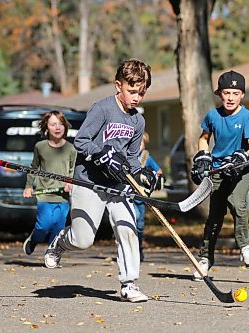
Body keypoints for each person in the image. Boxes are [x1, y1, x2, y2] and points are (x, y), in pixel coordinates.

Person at [43, 58, 161, 303]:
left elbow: (131, 156)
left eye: (141, 92)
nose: (136, 97)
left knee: (128, 229)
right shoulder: (103, 109)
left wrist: (140, 173)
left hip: (117, 184)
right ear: (118, 86)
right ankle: (61, 242)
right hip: (88, 181)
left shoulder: (138, 121)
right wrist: (100, 153)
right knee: (83, 240)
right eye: (132, 91)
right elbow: (81, 141)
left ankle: (129, 284)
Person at [190, 70, 249, 282]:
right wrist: (204, 155)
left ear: (242, 95)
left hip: (243, 169)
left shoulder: (247, 117)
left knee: (236, 202)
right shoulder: (213, 115)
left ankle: (246, 247)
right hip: (219, 170)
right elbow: (204, 138)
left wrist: (242, 157)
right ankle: (204, 259)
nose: (230, 97)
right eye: (226, 92)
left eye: (235, 93)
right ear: (219, 93)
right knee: (214, 217)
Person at [22, 111, 77, 256]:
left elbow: (73, 170)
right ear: (47, 128)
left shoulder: (71, 149)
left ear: (65, 127)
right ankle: (34, 239)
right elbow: (33, 168)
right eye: (53, 124)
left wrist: (70, 183)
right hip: (44, 194)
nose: (57, 128)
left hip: (63, 196)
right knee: (44, 226)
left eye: (60, 124)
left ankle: (52, 254)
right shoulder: (40, 147)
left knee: (58, 228)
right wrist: (28, 186)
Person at [134, 131, 163, 262]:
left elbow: (158, 171)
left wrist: (154, 179)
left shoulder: (146, 158)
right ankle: (129, 249)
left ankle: (139, 248)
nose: (138, 145)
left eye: (141, 143)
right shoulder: (129, 157)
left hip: (141, 197)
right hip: (128, 196)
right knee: (132, 221)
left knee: (139, 225)